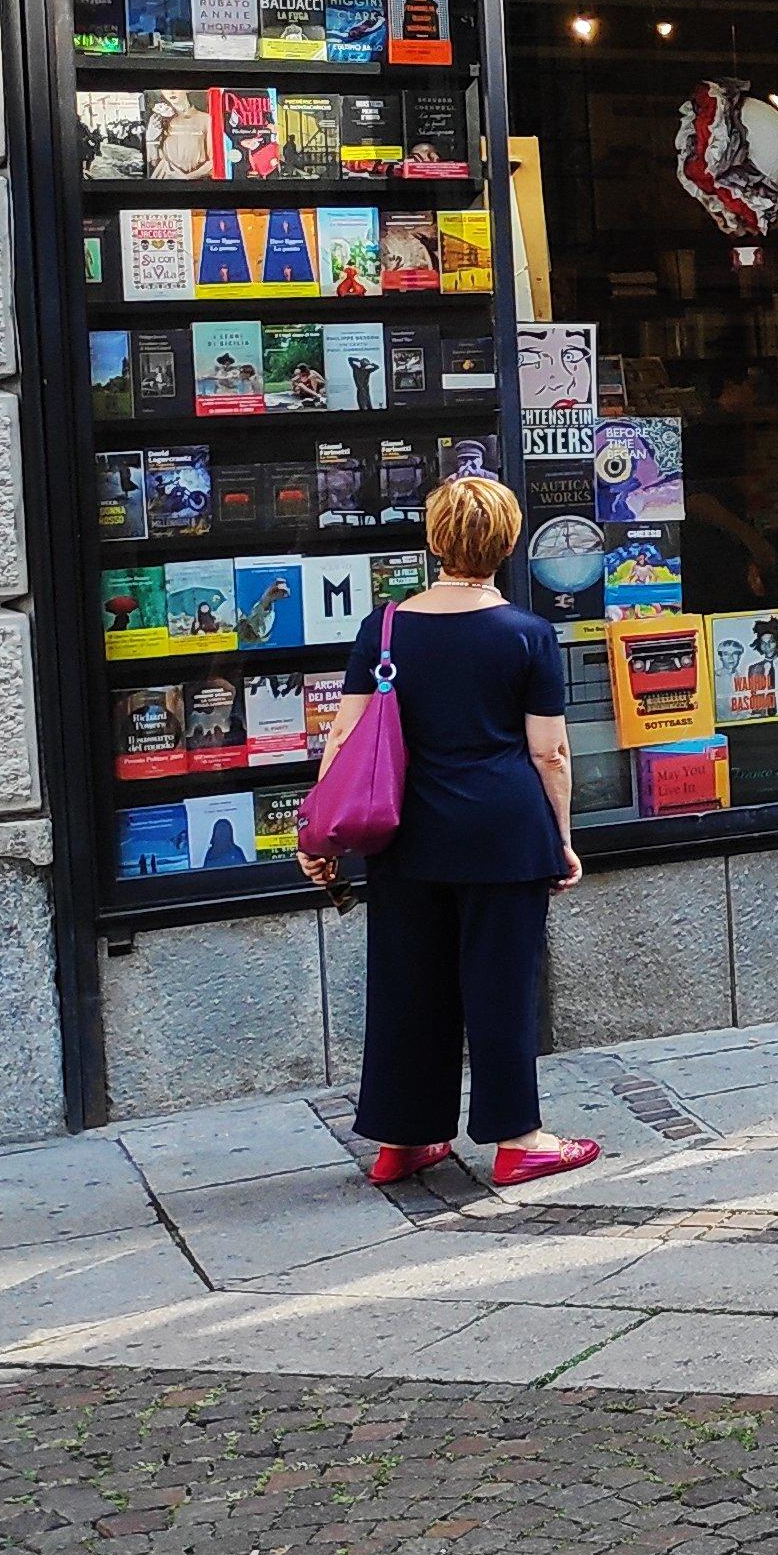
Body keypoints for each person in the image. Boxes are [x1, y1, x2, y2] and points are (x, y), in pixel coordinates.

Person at [299, 473, 598, 1188]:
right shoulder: (527, 635)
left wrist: (316, 836)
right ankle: (517, 1139)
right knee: (501, 986)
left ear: (434, 540)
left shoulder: (386, 626)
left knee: (407, 985)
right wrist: (561, 837)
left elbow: (343, 738)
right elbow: (549, 752)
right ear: (507, 543)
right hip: (502, 831)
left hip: (404, 833)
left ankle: (404, 1141)